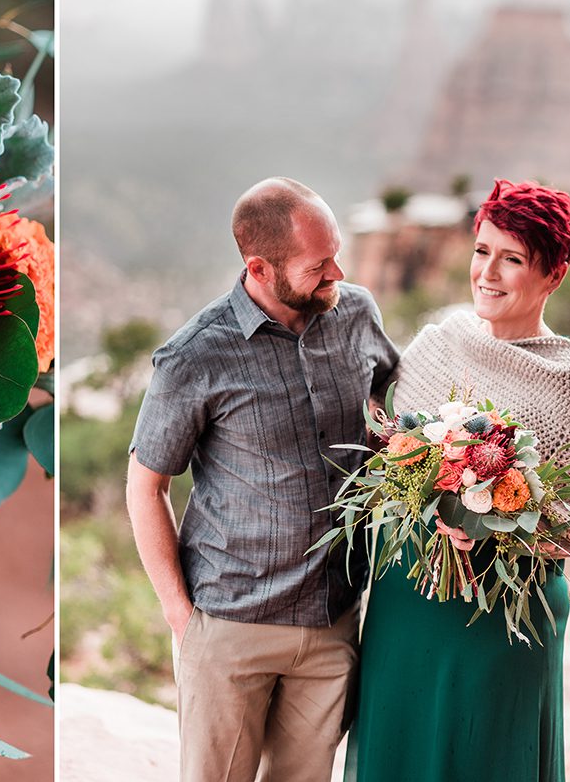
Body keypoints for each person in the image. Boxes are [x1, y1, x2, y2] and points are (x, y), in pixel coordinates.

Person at [348, 179, 570, 782]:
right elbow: (388, 453)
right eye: (482, 251)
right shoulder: (437, 344)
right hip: (409, 603)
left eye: (514, 259)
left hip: (502, 620)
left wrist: (499, 529)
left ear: (553, 275)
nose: (489, 273)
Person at [127, 177, 400, 782]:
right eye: (317, 265)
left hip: (333, 623)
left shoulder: (355, 312)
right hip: (230, 627)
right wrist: (182, 618)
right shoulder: (195, 355)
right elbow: (145, 485)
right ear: (259, 267)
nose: (337, 272)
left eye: (336, 253)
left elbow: (387, 396)